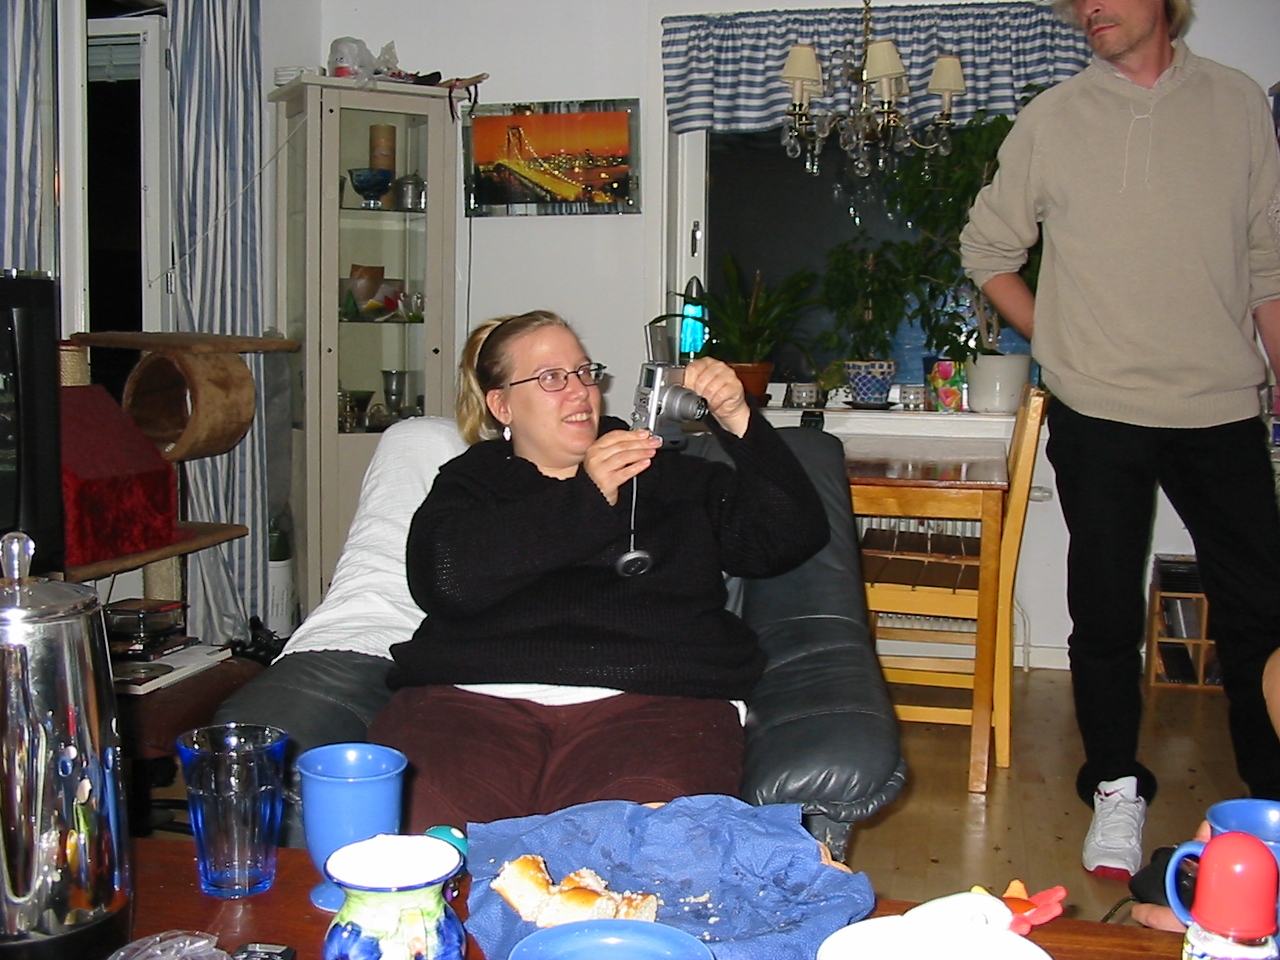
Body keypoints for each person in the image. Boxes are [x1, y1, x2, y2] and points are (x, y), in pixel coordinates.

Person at [960, 0, 1280, 882]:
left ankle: (1271, 800)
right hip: (1099, 409)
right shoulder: (1053, 118)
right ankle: (1114, 786)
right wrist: (1059, 343)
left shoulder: (1237, 102)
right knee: (1103, 613)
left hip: (1221, 406)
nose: (1089, 7)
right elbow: (987, 249)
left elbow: (1268, 260)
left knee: (1262, 612)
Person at [366, 309, 830, 832]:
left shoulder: (666, 473)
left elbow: (789, 537)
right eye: (551, 378)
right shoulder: (472, 482)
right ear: (502, 405)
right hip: (469, 705)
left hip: (655, 705)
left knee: (640, 853)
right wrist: (587, 500)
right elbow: (444, 582)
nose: (580, 391)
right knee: (420, 849)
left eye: (584, 372)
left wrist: (738, 418)